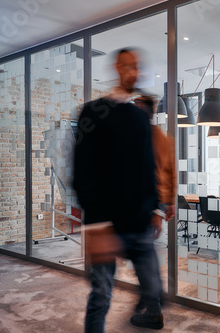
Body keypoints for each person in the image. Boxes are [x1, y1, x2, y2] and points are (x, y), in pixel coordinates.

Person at [73, 47, 164, 332]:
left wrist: (157, 208)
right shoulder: (93, 112)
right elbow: (82, 171)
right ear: (116, 68)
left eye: (137, 67)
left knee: (157, 291)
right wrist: (96, 226)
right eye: (127, 66)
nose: (133, 72)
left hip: (138, 222)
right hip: (106, 225)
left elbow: (149, 169)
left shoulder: (139, 118)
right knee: (101, 295)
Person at [133, 95, 176, 221]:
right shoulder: (163, 138)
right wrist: (169, 201)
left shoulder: (155, 138)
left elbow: (168, 172)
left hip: (147, 201)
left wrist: (166, 202)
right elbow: (170, 172)